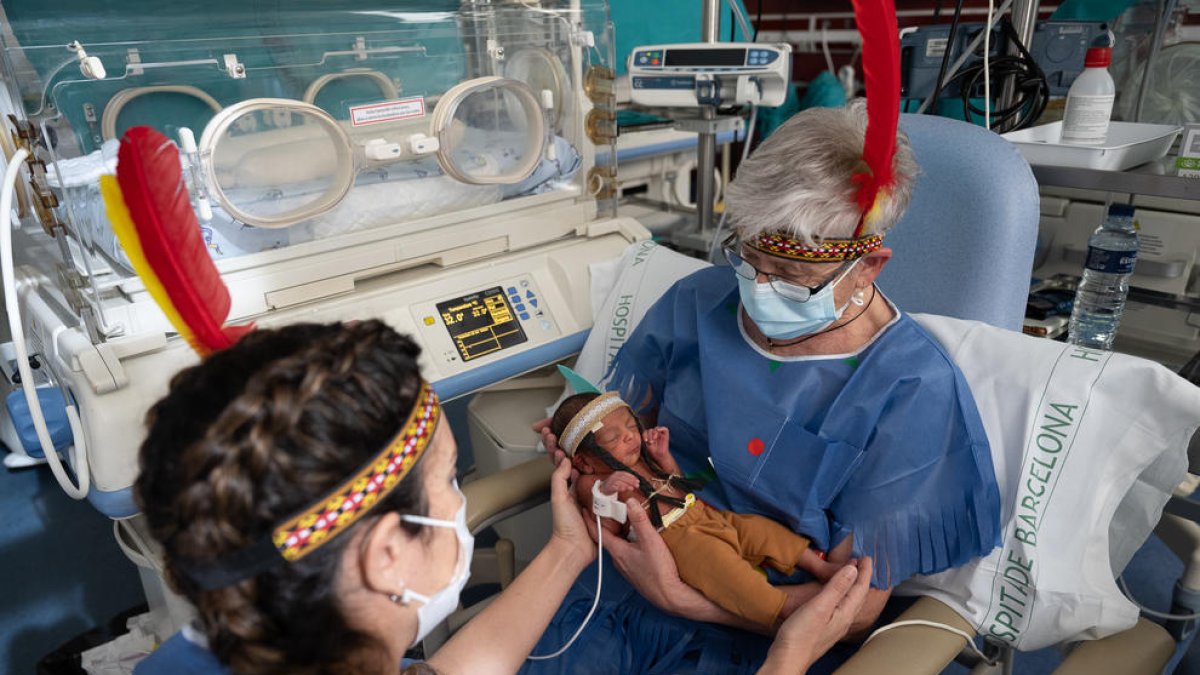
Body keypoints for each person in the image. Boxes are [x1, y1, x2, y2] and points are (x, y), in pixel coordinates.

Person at [528, 101, 1002, 673]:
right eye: (749, 260)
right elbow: (618, 427)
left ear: (869, 266)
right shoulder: (696, 303)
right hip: (618, 581)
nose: (758, 288)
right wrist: (584, 451)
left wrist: (683, 597)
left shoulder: (910, 390)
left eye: (791, 278)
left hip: (763, 632)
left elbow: (851, 609)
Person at [132, 320, 871, 674]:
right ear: (388, 553)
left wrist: (566, 550)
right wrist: (788, 659)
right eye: (451, 483)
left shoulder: (193, 656)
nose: (463, 504)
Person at [551, 391, 840, 631]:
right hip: (676, 541)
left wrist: (664, 457)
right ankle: (781, 606)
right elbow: (608, 531)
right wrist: (608, 492)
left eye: (630, 426)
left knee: (758, 530)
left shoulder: (641, 459)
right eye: (613, 438)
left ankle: (819, 567)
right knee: (725, 572)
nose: (629, 437)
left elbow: (679, 483)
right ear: (585, 461)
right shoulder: (593, 482)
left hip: (701, 513)